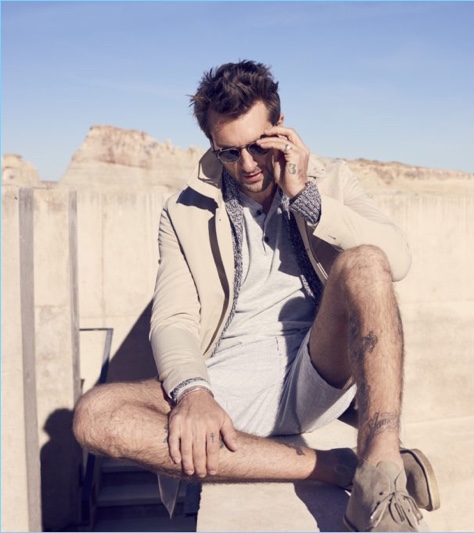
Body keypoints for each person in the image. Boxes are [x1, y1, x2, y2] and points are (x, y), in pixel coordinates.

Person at [72, 59, 438, 532]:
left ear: (280, 130)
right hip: (229, 386)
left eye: (257, 147)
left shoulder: (334, 180)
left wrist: (306, 197)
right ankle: (335, 467)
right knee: (95, 417)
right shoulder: (183, 212)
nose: (246, 165)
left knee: (365, 262)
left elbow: (397, 260)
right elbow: (173, 317)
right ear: (211, 145)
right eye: (228, 152)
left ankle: (381, 470)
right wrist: (194, 391)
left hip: (315, 369)